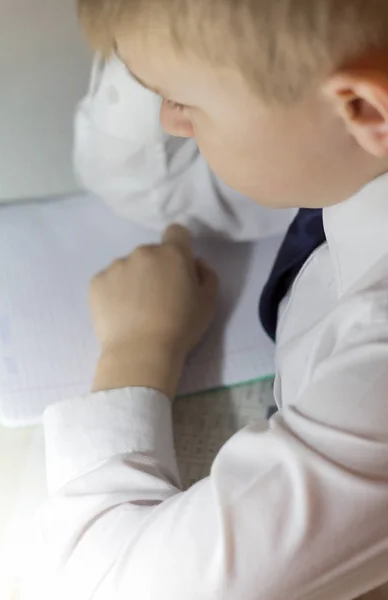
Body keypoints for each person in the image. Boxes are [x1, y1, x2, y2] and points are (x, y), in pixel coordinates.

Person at [25, 1, 388, 598]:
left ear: (363, 109)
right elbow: (150, 183)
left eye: (184, 103)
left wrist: (138, 349)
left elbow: (110, 583)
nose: (170, 122)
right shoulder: (343, 152)